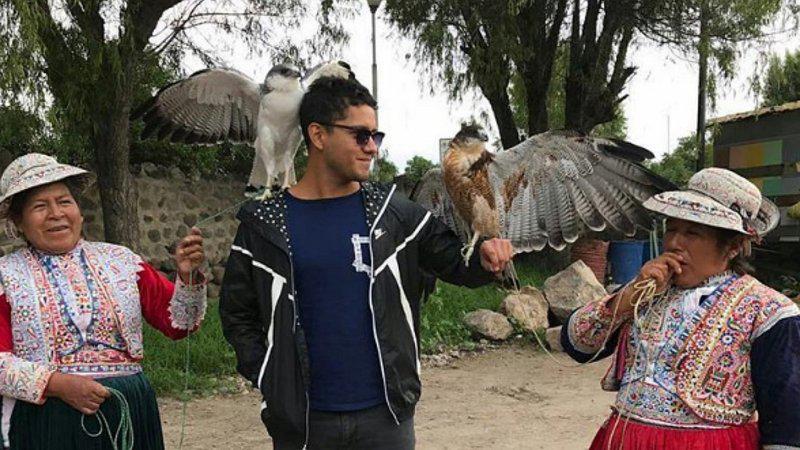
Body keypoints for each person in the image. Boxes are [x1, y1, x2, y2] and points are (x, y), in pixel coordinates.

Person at [220, 76, 514, 449]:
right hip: (303, 425)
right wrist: (270, 376)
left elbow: (456, 264)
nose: (372, 148)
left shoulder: (394, 215)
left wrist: (485, 258)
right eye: (361, 135)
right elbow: (237, 315)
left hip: (386, 421)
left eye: (377, 136)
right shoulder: (264, 227)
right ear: (318, 135)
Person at [561, 167, 800, 450]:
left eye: (692, 233)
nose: (674, 243)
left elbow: (786, 421)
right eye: (671, 229)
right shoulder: (647, 292)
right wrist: (629, 296)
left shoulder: (769, 312)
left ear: (733, 246)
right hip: (626, 440)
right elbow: (577, 345)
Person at [0, 153, 207, 449]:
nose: (56, 213)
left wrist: (186, 279)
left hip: (129, 412)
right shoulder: (6, 276)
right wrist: (59, 385)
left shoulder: (121, 262)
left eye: (64, 201)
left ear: (79, 212)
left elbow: (180, 325)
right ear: (18, 222)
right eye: (40, 206)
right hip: (48, 419)